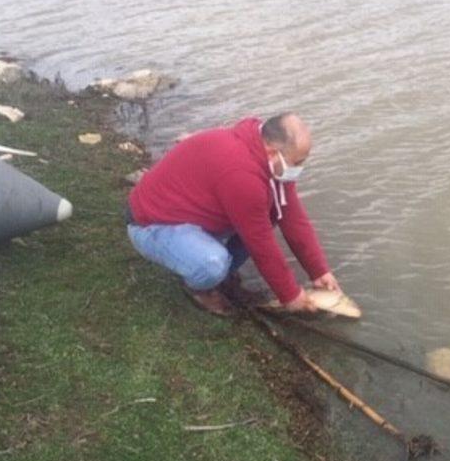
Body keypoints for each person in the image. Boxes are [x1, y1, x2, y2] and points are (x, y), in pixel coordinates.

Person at [126, 112, 342, 315]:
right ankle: (200, 289)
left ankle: (222, 273)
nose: (300, 168)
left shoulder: (263, 152)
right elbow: (260, 243)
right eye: (298, 162)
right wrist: (290, 296)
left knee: (270, 212)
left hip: (190, 213)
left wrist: (319, 271)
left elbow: (291, 214)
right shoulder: (242, 175)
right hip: (150, 224)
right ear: (273, 152)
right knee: (211, 264)